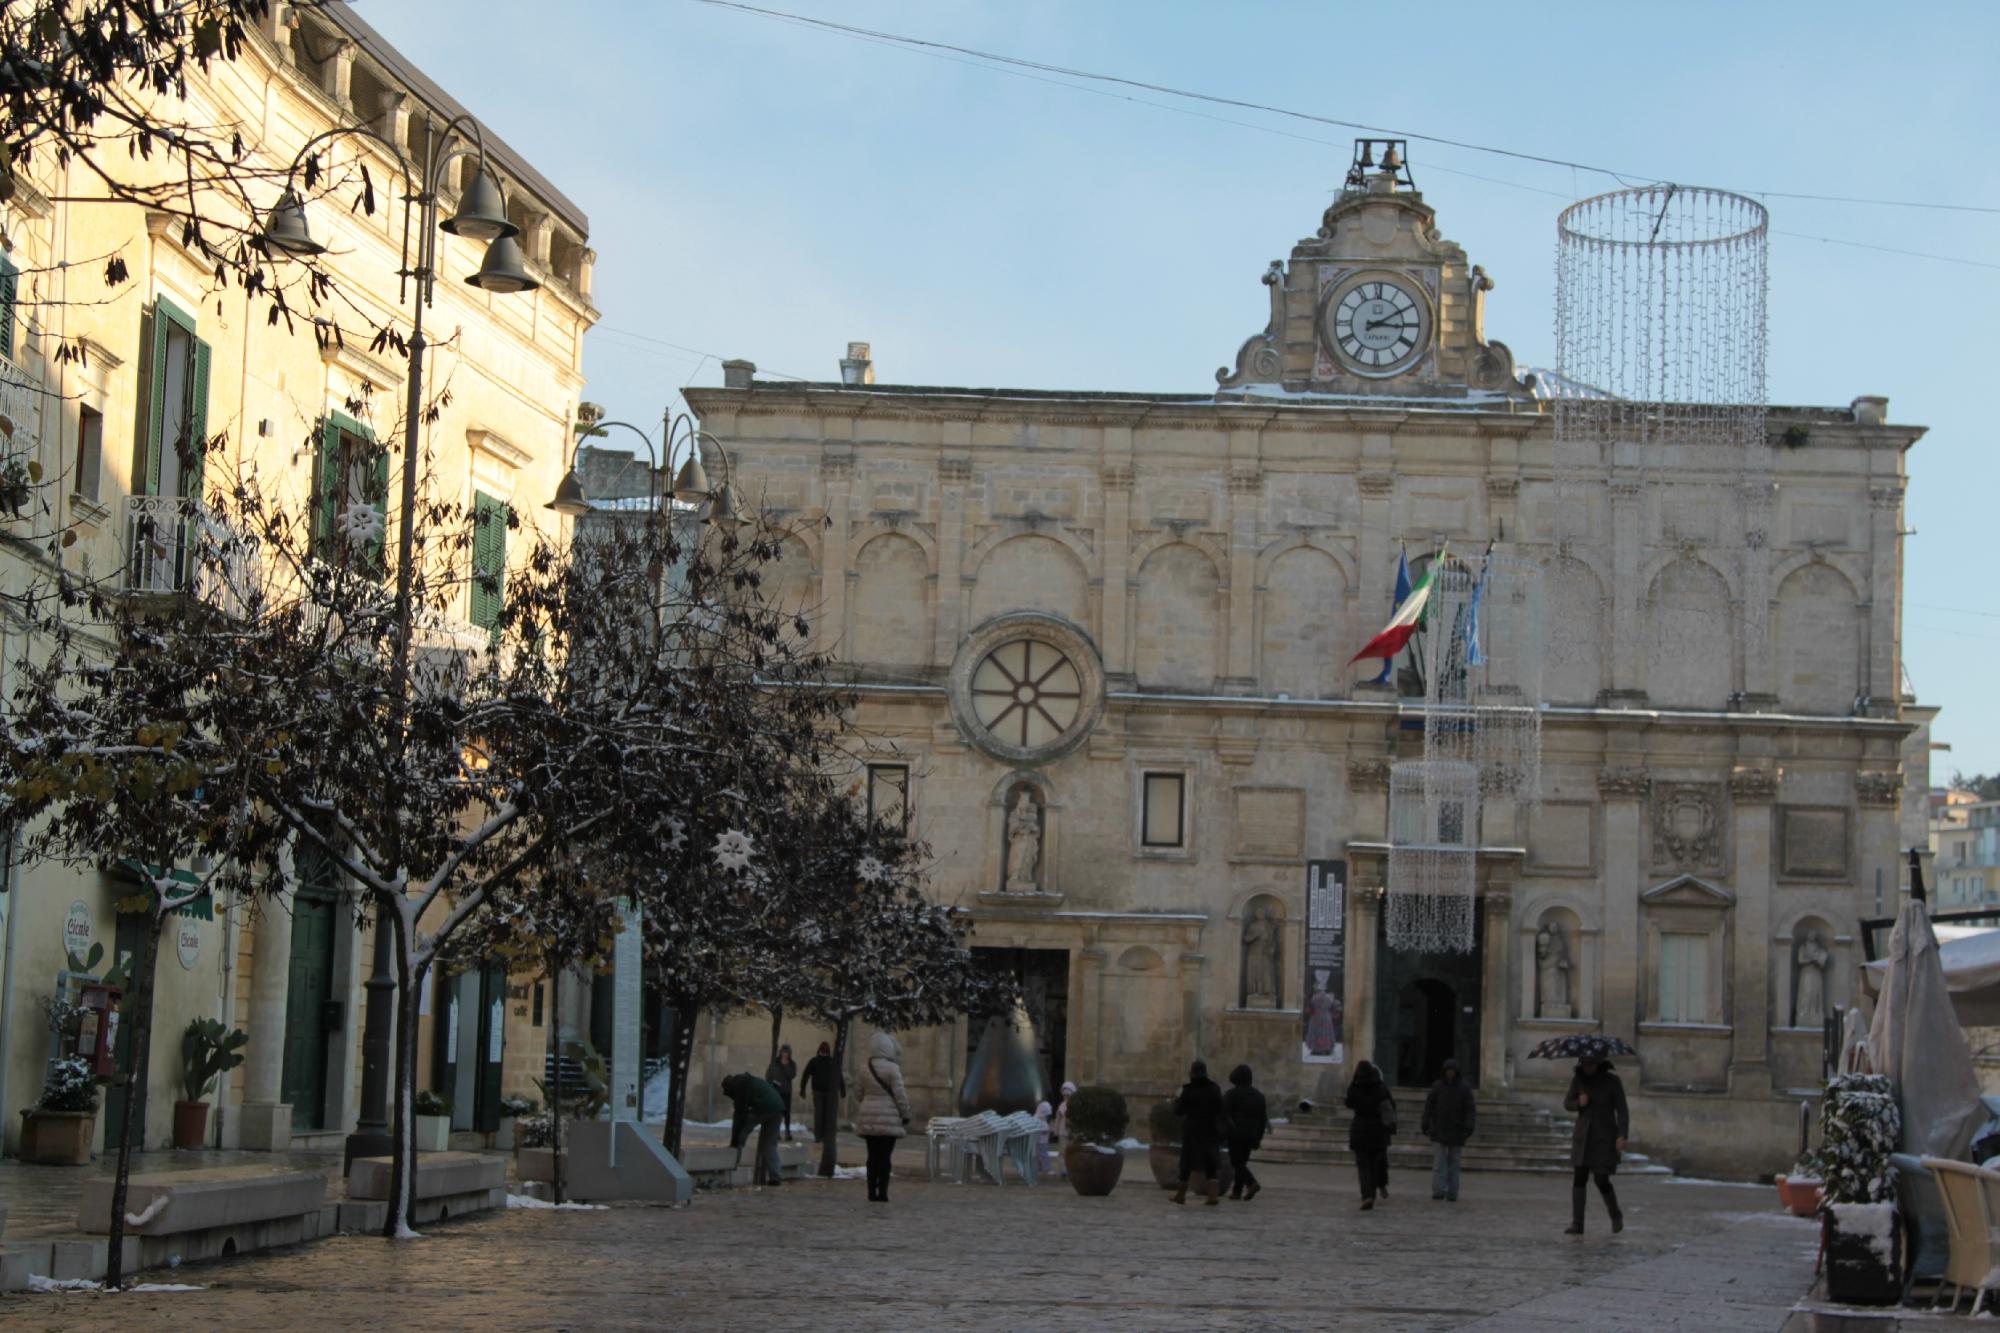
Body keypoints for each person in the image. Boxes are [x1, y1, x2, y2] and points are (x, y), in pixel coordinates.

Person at [1563, 1052, 1631, 1235]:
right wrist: (1579, 1102)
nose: (1587, 1067)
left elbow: (1622, 1110)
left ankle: (1615, 1215)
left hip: (1604, 1137)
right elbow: (1567, 1103)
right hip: (1583, 1137)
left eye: (1591, 1064)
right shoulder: (1579, 1080)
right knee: (1579, 1178)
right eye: (1584, 1063)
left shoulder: (1612, 1082)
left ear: (1599, 1063)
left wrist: (1622, 1135)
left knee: (1601, 1179)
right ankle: (1577, 1223)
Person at [854, 1030, 913, 1203]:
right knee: (885, 1157)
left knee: (872, 1156)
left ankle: (871, 1191)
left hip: (869, 1119)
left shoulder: (865, 1069)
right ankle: (883, 1192)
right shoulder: (893, 1069)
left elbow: (858, 1094)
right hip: (890, 1120)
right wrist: (906, 1114)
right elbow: (900, 1095)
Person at [1170, 1059, 1226, 1206]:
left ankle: (1181, 1195)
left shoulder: (1189, 1090)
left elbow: (1179, 1111)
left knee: (1187, 1163)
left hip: (1192, 1130)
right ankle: (1213, 1195)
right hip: (1209, 1129)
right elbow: (1220, 1108)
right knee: (1210, 1163)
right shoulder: (1214, 1089)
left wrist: (1177, 1100)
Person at [1422, 1057, 1476, 1202]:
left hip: (1457, 1129)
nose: (1450, 1073)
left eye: (1452, 1071)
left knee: (1454, 1163)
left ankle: (1452, 1192)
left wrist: (1468, 1127)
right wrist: (1426, 1123)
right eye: (1448, 1071)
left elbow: (1470, 1110)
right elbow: (1429, 1106)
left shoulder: (1464, 1088)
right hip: (1440, 1128)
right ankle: (1438, 1190)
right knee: (1439, 1163)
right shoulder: (1437, 1086)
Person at [720, 1071, 787, 1186]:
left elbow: (740, 1116)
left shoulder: (739, 1087)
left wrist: (735, 1141)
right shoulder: (747, 1081)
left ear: (729, 1089)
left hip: (765, 1108)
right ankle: (775, 1177)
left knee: (743, 1130)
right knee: (769, 1145)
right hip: (778, 1108)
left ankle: (733, 1162)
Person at [1344, 1059, 1394, 1210]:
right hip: (1377, 1130)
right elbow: (1390, 1105)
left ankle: (1367, 1195)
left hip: (1360, 1129)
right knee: (1374, 1164)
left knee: (1363, 1165)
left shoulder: (1354, 1087)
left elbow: (1349, 1103)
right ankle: (1372, 1193)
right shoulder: (1381, 1087)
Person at [1222, 1064, 1271, 1202]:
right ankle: (1236, 1192)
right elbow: (1263, 1119)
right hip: (1251, 1134)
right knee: (1242, 1162)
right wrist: (1259, 1138)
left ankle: (1251, 1183)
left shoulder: (1231, 1094)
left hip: (1236, 1133)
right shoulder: (1259, 1096)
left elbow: (1224, 1114)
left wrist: (1224, 1132)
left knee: (1236, 1162)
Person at [800, 1040, 844, 1144]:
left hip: (829, 1092)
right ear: (819, 1051)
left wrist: (842, 1089)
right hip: (818, 1091)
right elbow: (805, 1075)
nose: (824, 1054)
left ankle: (825, 1135)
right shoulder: (814, 1061)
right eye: (822, 1052)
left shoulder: (832, 1062)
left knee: (827, 1115)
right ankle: (818, 1136)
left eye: (825, 1052)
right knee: (819, 1114)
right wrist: (802, 1089)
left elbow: (839, 1076)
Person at [766, 1043, 799, 1142]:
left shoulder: (791, 1064)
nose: (785, 1054)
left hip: (786, 1091)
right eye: (783, 1052)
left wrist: (785, 1066)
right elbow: (768, 1075)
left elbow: (792, 1075)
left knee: (786, 1112)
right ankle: (776, 1132)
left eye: (787, 1052)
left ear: (789, 1054)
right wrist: (773, 1082)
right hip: (776, 1091)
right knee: (777, 1112)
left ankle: (787, 1131)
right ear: (780, 1052)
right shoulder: (775, 1062)